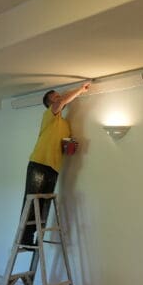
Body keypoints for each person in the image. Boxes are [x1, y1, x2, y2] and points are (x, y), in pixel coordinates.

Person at [21, 82, 91, 245]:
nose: (59, 99)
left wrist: (72, 146)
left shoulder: (65, 124)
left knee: (43, 203)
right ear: (50, 104)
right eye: (56, 98)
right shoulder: (48, 115)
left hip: (54, 167)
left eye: (59, 97)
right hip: (39, 163)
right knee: (32, 201)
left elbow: (66, 148)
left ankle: (36, 236)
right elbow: (61, 103)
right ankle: (25, 236)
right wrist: (80, 90)